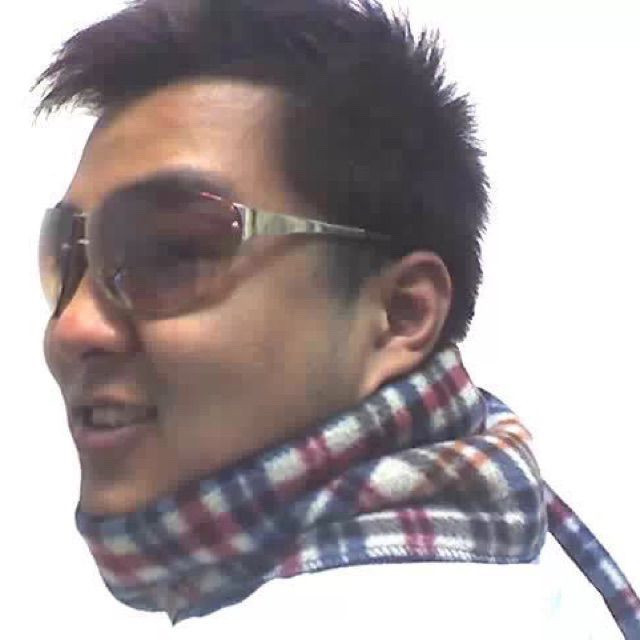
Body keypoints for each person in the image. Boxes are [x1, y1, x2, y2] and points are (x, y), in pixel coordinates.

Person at [34, 0, 639, 636]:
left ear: (401, 312)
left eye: (172, 252)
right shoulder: (532, 585)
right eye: (64, 262)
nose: (71, 329)